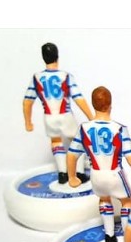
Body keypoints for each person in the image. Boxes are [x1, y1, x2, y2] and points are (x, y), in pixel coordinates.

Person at [66, 86, 131, 242]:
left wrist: (72, 177)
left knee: (104, 200)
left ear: (92, 105)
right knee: (127, 201)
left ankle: (109, 237)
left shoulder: (83, 128)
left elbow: (71, 155)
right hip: (115, 174)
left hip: (96, 175)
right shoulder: (119, 129)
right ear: (110, 105)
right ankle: (129, 240)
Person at [22, 42, 94, 183]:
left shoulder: (36, 78)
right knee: (77, 141)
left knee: (56, 142)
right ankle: (79, 172)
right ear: (57, 57)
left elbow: (27, 101)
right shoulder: (65, 76)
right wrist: (90, 116)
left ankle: (62, 173)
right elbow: (78, 98)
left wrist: (28, 122)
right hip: (65, 114)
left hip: (49, 116)